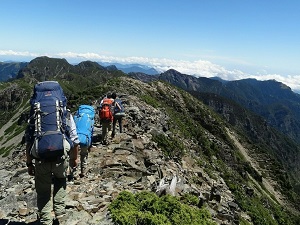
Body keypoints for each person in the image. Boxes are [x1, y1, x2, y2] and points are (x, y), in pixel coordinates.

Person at [25, 82, 78, 225]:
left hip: (40, 159)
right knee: (60, 181)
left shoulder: (34, 114)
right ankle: (60, 214)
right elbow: (74, 139)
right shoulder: (65, 113)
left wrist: (29, 164)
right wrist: (74, 159)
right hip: (61, 157)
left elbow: (29, 142)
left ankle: (46, 221)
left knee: (43, 191)